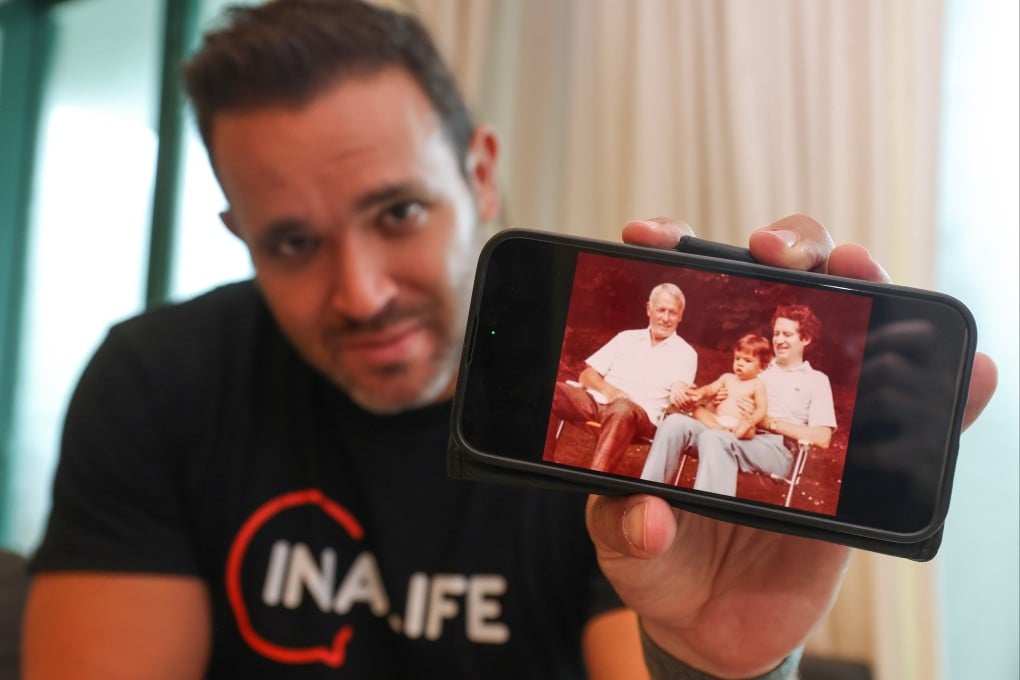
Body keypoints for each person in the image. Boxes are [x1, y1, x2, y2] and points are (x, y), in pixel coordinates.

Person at [20, 2, 999, 680]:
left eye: (399, 211)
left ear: (481, 175)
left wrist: (717, 664)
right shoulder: (158, 380)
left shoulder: (600, 458)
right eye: (292, 241)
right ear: (237, 236)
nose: (360, 291)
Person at [641, 304, 835, 498]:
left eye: (787, 334)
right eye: (776, 333)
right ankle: (647, 497)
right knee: (674, 423)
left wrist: (768, 422)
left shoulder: (817, 380)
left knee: (715, 438)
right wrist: (714, 403)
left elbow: (822, 437)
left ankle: (707, 517)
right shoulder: (757, 365)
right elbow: (717, 406)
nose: (779, 340)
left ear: (806, 339)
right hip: (729, 430)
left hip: (775, 447)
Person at [550, 283, 697, 473]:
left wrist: (681, 393)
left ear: (680, 316)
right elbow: (587, 375)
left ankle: (594, 484)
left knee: (622, 409)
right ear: (648, 309)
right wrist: (611, 392)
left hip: (640, 417)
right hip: (599, 401)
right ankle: (539, 468)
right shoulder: (626, 338)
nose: (665, 318)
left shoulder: (686, 353)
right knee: (551, 390)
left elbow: (681, 391)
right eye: (661, 310)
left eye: (673, 312)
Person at [688, 333, 772, 440]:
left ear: (762, 367)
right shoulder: (727, 378)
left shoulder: (757, 385)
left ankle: (732, 434)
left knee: (750, 430)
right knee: (698, 410)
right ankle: (720, 429)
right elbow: (711, 389)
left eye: (747, 360)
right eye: (737, 358)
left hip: (739, 424)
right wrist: (701, 393)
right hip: (718, 420)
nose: (740, 363)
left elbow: (761, 409)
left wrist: (750, 421)